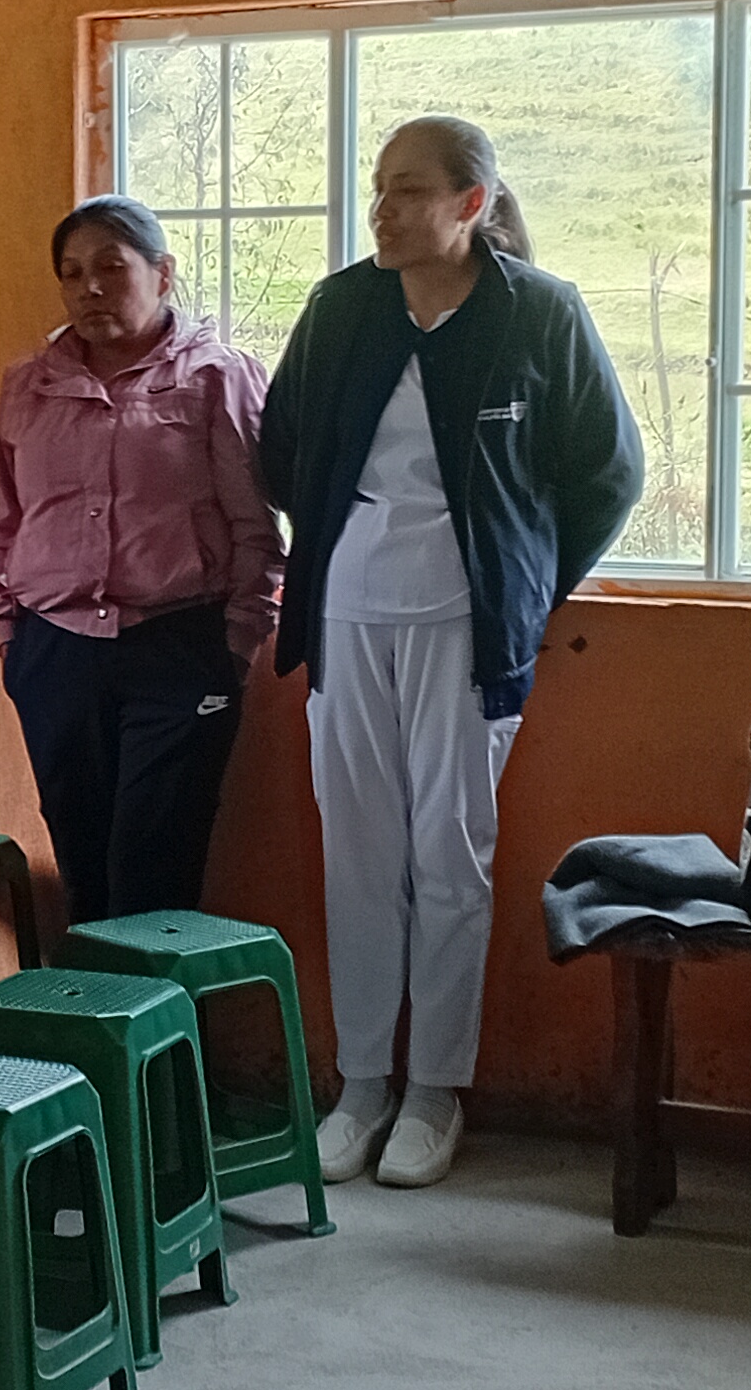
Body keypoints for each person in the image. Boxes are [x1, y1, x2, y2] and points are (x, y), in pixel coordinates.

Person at [256, 116, 642, 1190]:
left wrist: (524, 580)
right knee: (358, 855)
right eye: (378, 188)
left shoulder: (539, 312)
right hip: (348, 614)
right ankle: (360, 1087)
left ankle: (434, 1092)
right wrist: (344, 540)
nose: (382, 210)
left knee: (450, 856)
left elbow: (607, 471)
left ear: (471, 204)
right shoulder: (342, 308)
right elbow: (282, 449)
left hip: (470, 629)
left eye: (409, 190)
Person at [0, 196, 278, 928]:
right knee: (81, 861)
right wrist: (9, 633)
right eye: (72, 273)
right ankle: (95, 1006)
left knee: (155, 866)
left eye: (112, 268)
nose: (91, 288)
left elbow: (256, 526)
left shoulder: (217, 376)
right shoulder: (30, 384)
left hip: (180, 648)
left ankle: (158, 1009)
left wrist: (236, 643)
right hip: (55, 652)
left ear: (163, 274)